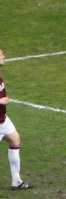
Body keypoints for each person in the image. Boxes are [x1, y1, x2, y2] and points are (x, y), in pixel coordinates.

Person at [0, 48, 31, 190]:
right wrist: (1, 101)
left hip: (2, 119)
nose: (4, 56)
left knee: (15, 139)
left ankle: (16, 180)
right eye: (1, 55)